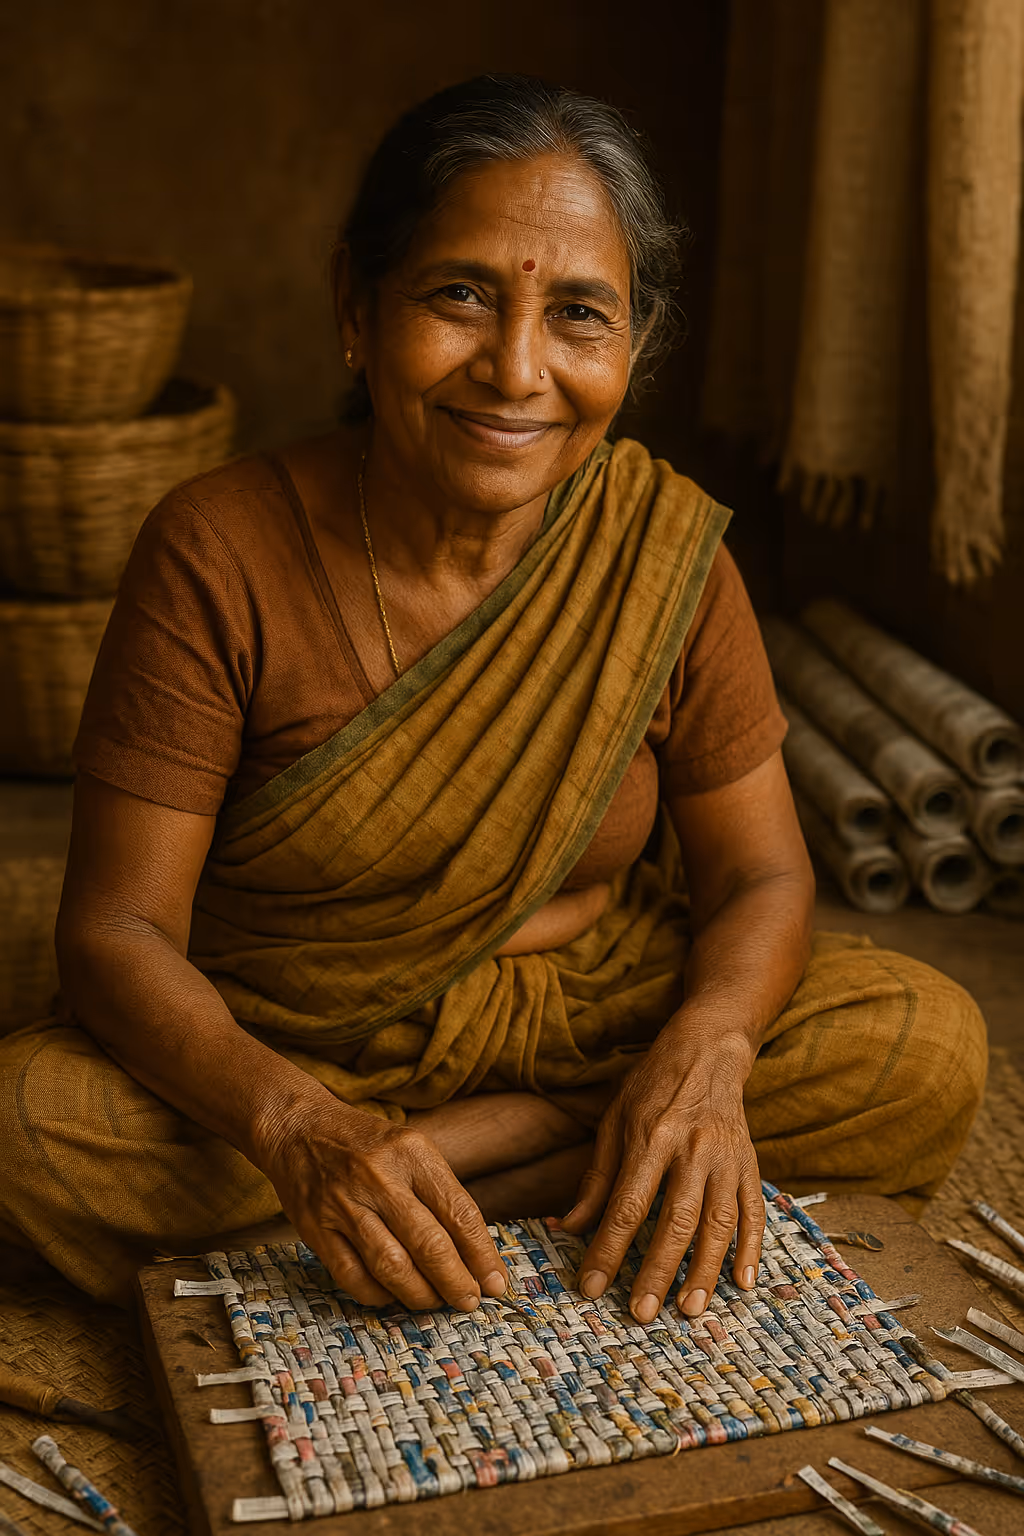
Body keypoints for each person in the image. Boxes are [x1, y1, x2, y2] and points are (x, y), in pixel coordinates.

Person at [0, 75, 986, 1314]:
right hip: (299, 1035)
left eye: (579, 314)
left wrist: (704, 1055)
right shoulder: (218, 547)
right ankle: (545, 1174)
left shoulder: (661, 551)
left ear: (635, 344)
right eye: (458, 295)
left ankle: (448, 1177)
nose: (515, 370)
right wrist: (300, 1126)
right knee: (31, 1127)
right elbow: (115, 934)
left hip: (594, 1014)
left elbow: (760, 879)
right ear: (356, 309)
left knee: (920, 1045)